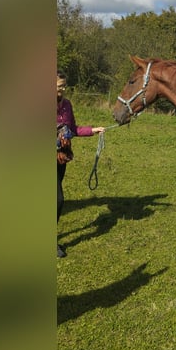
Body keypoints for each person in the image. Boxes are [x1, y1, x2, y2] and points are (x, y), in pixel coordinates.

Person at [56, 71, 106, 258]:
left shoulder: (67, 105)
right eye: (60, 85)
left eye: (64, 85)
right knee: (58, 199)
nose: (63, 88)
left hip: (61, 158)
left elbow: (74, 129)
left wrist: (94, 130)